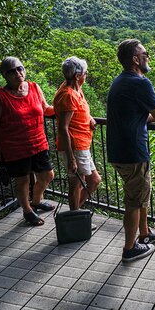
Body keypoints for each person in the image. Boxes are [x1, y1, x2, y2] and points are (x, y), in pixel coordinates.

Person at [107, 39, 155, 262]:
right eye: (145, 53)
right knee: (134, 201)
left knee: (141, 194)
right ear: (135, 59)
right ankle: (129, 248)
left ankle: (145, 233)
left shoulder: (120, 81)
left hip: (118, 150)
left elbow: (140, 115)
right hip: (133, 152)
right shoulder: (141, 83)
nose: (148, 57)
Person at [0, 56, 55, 226]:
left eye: (20, 68)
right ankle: (27, 210)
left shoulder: (34, 87)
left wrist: (70, 110)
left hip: (38, 142)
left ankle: (36, 200)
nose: (18, 73)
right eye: (12, 71)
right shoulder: (0, 97)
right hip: (14, 147)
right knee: (22, 181)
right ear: (4, 76)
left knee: (48, 175)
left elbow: (46, 108)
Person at [54, 56, 101, 211]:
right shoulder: (68, 94)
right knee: (77, 184)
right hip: (74, 147)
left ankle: (76, 215)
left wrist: (89, 118)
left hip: (82, 145)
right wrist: (71, 159)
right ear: (77, 76)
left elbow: (79, 110)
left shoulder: (75, 88)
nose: (86, 75)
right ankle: (75, 216)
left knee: (93, 180)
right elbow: (63, 127)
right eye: (85, 73)